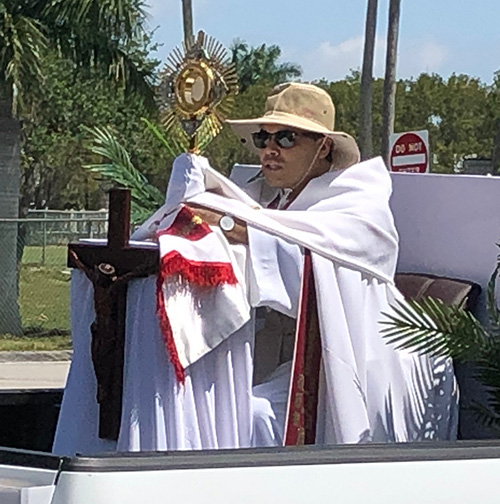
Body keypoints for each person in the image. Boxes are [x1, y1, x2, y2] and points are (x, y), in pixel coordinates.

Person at [53, 83, 458, 455]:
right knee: (214, 411)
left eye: (286, 137)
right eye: (263, 138)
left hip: (354, 363)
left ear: (324, 148)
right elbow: (260, 230)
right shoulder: (265, 200)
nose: (269, 149)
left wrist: (228, 224)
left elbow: (299, 257)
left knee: (250, 416)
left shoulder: (358, 208)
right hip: (283, 355)